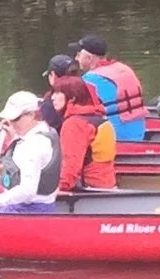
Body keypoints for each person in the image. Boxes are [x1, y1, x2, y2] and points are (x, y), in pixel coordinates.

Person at [44, 56, 119, 191]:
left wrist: (56, 189)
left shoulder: (74, 124)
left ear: (72, 98)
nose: (53, 98)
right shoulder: (98, 116)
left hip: (89, 190)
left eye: (58, 93)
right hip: (107, 185)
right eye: (53, 93)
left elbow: (70, 167)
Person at [0, 91, 62, 211]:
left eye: (15, 118)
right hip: (36, 206)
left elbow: (27, 190)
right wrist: (13, 138)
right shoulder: (45, 130)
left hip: (29, 209)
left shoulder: (34, 145)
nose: (11, 123)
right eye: (9, 119)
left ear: (32, 115)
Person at [73, 35, 148, 142]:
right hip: (139, 134)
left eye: (78, 55)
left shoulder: (90, 80)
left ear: (89, 58)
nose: (76, 59)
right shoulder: (124, 68)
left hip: (116, 139)